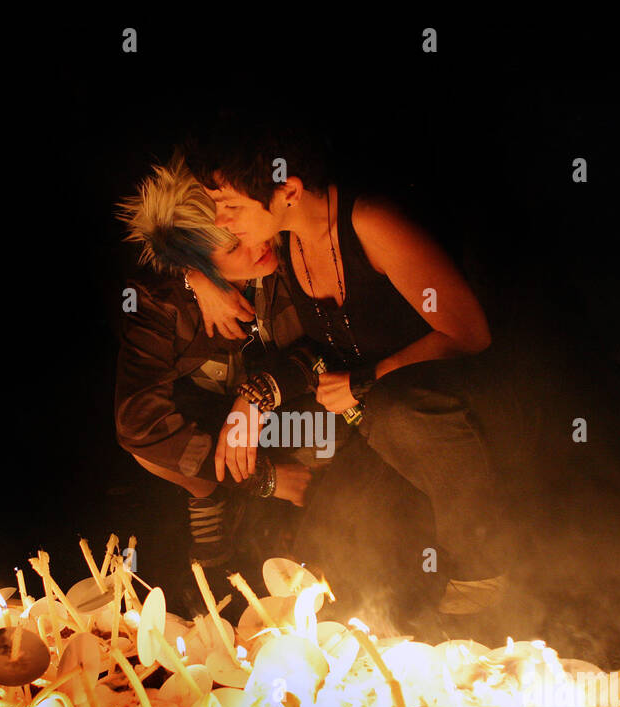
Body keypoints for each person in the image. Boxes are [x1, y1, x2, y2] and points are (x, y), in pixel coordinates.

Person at [182, 118, 508, 615]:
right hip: (380, 422)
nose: (221, 220)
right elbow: (320, 350)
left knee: (397, 414)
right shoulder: (287, 246)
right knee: (324, 553)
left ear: (288, 189)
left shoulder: (370, 223)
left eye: (230, 206)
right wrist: (254, 400)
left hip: (454, 411)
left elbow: (469, 334)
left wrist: (366, 380)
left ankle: (487, 574)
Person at [114, 156, 326, 570]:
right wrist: (263, 479)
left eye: (240, 232)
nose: (258, 244)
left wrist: (261, 393)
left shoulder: (290, 257)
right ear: (195, 262)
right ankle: (211, 496)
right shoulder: (162, 302)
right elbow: (136, 420)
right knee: (148, 447)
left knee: (324, 521)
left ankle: (311, 523)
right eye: (232, 247)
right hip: (215, 429)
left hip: (290, 413)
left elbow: (328, 349)